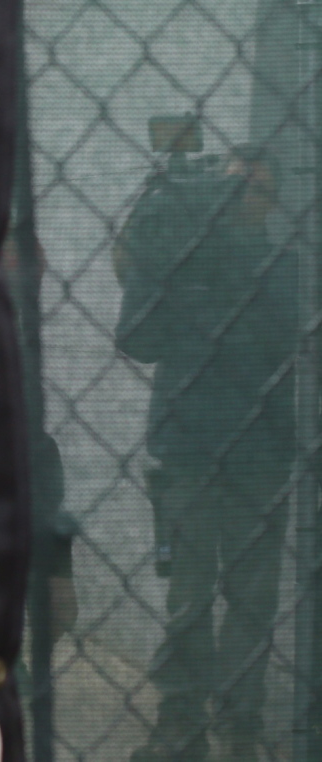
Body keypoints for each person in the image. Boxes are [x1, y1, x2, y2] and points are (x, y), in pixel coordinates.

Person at [116, 145, 295, 761]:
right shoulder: (183, 256)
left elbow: (282, 344)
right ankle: (181, 718)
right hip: (188, 450)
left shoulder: (284, 265)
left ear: (273, 202)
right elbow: (137, 337)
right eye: (232, 189)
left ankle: (240, 724)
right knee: (189, 595)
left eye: (255, 190)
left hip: (264, 452)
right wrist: (171, 262)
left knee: (253, 597)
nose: (243, 201)